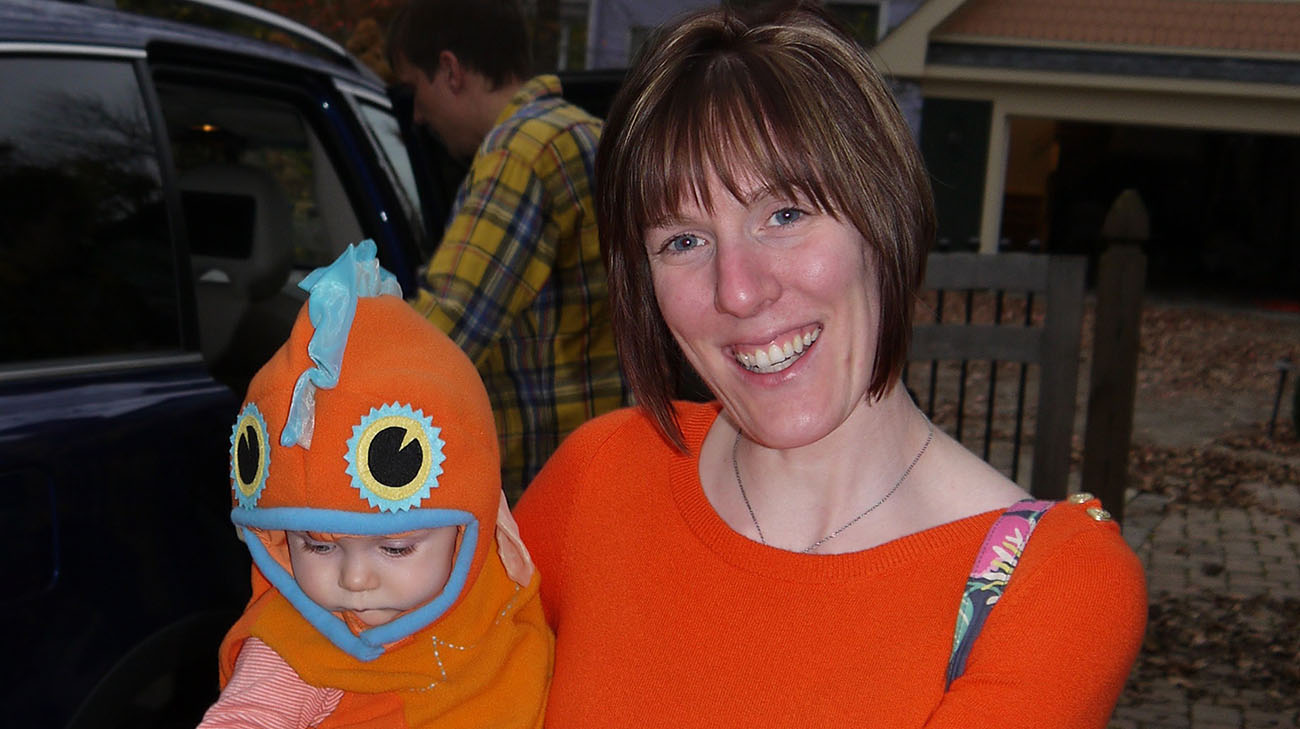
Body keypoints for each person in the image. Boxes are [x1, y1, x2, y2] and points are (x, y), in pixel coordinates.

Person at [513, 4, 1147, 727]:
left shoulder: (1050, 586)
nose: (739, 289)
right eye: (683, 241)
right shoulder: (599, 478)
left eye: (784, 215)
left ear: (884, 216)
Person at [199, 242, 551, 729]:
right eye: (318, 547)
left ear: (472, 523)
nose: (355, 580)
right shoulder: (293, 649)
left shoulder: (502, 607)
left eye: (397, 547)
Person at [386, 0, 628, 499]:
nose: (417, 116)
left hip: (548, 484)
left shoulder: (523, 151)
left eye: (415, 88)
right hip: (603, 466)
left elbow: (443, 333)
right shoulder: (586, 133)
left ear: (450, 71)